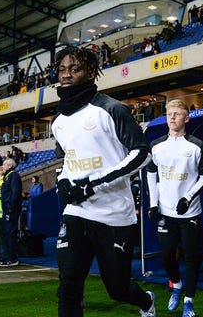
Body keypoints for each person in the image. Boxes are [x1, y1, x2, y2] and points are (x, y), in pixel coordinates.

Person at [51, 45, 156, 317]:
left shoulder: (111, 108)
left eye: (74, 68)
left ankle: (145, 301)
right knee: (69, 284)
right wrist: (62, 180)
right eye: (62, 69)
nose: (66, 74)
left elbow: (142, 154)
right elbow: (66, 161)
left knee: (117, 288)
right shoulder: (58, 121)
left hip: (114, 214)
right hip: (77, 210)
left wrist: (94, 183)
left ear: (89, 72)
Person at [146, 99, 203, 317]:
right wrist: (153, 204)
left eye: (177, 114)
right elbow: (151, 173)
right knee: (166, 256)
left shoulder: (196, 146)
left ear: (186, 118)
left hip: (190, 212)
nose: (172, 117)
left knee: (192, 257)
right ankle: (176, 283)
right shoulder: (156, 145)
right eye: (169, 113)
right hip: (165, 211)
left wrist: (188, 197)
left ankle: (189, 302)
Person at [0, 158, 22, 267]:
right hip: (7, 208)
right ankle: (8, 256)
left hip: (10, 209)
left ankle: (13, 258)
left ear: (10, 166)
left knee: (10, 233)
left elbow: (15, 193)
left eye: (4, 164)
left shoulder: (14, 176)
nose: (2, 166)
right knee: (7, 233)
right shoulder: (7, 177)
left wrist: (10, 206)